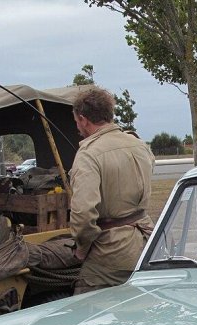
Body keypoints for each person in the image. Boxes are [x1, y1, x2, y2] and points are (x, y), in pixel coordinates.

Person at [69, 86, 155, 294]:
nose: (77, 126)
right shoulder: (139, 144)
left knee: (84, 304)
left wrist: (81, 248)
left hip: (112, 252)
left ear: (83, 119)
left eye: (77, 121)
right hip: (149, 241)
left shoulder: (89, 154)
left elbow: (83, 214)